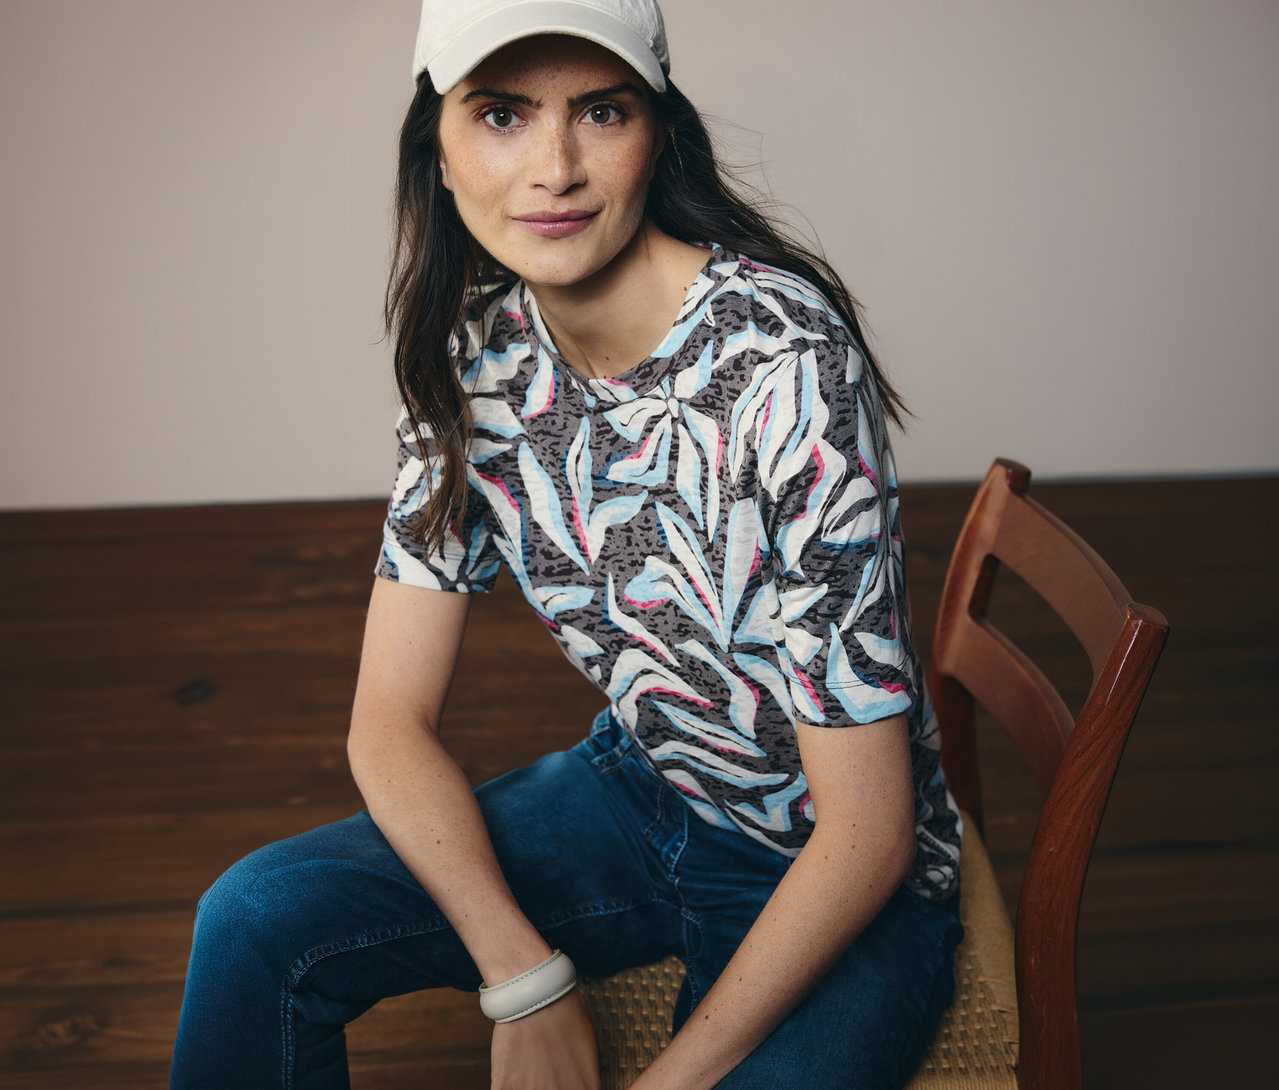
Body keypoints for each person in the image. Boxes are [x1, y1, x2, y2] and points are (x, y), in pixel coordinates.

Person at [170, 1, 963, 1087]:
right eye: (501, 115)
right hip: (644, 795)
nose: (555, 169)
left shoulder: (785, 363)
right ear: (437, 151)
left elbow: (867, 834)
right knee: (256, 914)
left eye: (601, 111)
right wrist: (524, 979)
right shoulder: (472, 361)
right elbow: (387, 725)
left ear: (658, 137)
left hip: (836, 873)